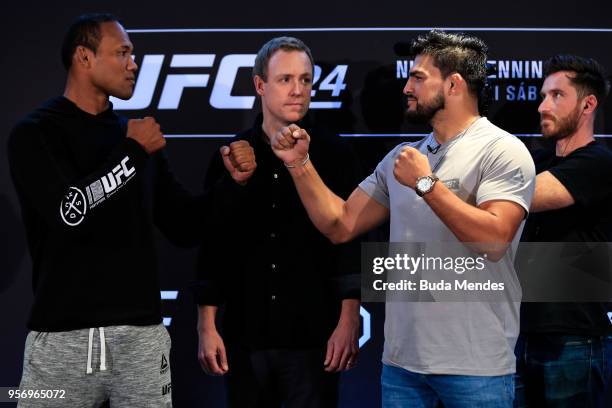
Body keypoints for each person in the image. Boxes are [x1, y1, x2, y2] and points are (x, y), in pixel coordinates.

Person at [270, 30, 536, 407]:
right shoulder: (404, 156)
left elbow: (494, 241)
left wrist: (426, 183)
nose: (407, 87)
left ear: (454, 84)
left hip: (476, 370)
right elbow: (340, 224)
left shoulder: (502, 149)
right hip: (402, 368)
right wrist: (299, 163)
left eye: (418, 77)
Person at [7, 13, 254, 408]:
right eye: (122, 52)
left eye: (133, 54)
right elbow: (70, 213)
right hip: (61, 339)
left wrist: (232, 185)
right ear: (83, 58)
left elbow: (184, 225)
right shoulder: (36, 133)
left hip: (140, 337)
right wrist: (134, 152)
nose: (133, 63)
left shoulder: (135, 136)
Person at [193, 36, 362, 408]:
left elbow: (351, 243)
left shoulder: (335, 153)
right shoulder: (232, 154)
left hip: (313, 339)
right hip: (245, 336)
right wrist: (207, 325)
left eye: (305, 80)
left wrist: (349, 319)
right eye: (285, 79)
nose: (298, 90)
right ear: (259, 85)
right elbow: (213, 246)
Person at [515, 55, 612, 407]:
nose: (543, 106)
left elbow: (526, 197)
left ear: (588, 104)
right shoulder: (537, 162)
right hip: (521, 334)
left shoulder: (599, 162)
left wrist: (428, 184)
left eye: (557, 96)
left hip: (575, 339)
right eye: (543, 96)